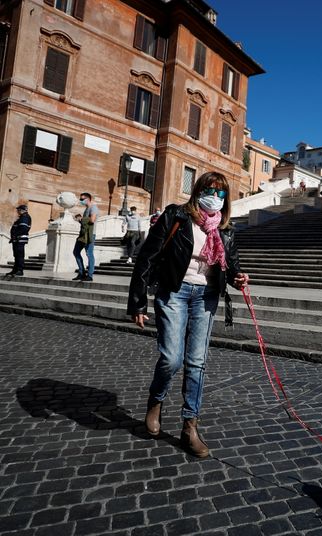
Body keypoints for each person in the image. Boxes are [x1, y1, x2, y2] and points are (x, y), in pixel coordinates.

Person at [127, 172, 249, 458]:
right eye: (210, 190)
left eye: (221, 194)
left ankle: (189, 425)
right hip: (174, 292)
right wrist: (138, 303)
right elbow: (147, 258)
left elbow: (230, 267)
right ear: (198, 191)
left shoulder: (226, 230)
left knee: (197, 362)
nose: (215, 197)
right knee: (171, 358)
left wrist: (238, 278)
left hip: (205, 297)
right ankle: (155, 401)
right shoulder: (176, 216)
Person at [73, 192, 99, 282]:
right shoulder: (86, 209)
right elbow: (85, 222)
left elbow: (92, 220)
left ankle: (90, 275)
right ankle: (81, 272)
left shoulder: (93, 208)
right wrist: (79, 220)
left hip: (90, 234)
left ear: (88, 199)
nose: (81, 201)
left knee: (89, 253)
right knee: (76, 252)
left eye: (82, 199)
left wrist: (82, 219)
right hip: (83, 234)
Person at [7, 204, 31, 276]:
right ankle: (15, 269)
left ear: (22, 210)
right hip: (17, 239)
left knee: (19, 255)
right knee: (16, 255)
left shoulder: (25, 217)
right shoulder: (21, 217)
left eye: (19, 210)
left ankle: (20, 270)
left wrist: (15, 236)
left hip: (20, 239)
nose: (18, 211)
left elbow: (23, 229)